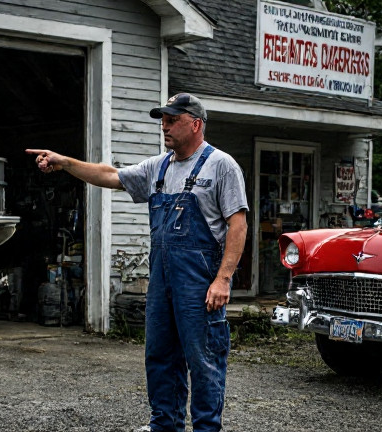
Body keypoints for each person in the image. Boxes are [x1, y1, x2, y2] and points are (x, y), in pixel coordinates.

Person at [26, 93, 248, 432]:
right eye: (163, 118)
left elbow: (238, 224)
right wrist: (66, 162)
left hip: (199, 283)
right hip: (162, 279)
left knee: (203, 361)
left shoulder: (221, 166)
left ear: (196, 124)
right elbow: (110, 175)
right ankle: (165, 425)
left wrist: (223, 279)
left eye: (173, 119)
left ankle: (206, 428)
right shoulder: (158, 167)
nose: (165, 125)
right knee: (160, 356)